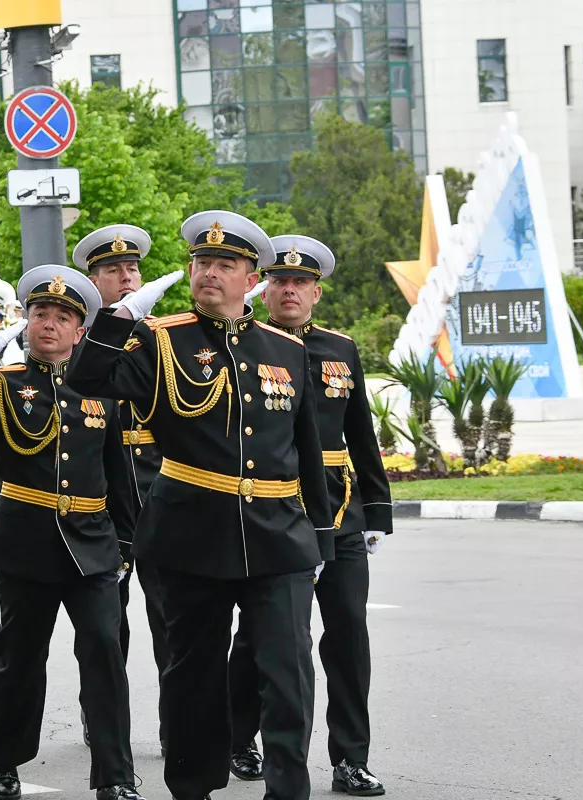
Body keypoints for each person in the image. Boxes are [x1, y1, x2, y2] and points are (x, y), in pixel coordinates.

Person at [66, 211, 335, 800]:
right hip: (190, 535)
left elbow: (307, 449)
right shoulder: (160, 338)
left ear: (251, 280)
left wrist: (322, 534)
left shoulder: (286, 350)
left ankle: (289, 790)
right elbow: (85, 382)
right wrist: (117, 319)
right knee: (193, 678)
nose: (210, 273)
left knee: (288, 673)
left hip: (279, 536)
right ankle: (193, 788)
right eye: (202, 263)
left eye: (226, 265)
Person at [0, 266, 143, 800]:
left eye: (63, 317)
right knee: (19, 661)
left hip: (92, 543)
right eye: (40, 314)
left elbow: (120, 474)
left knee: (104, 655)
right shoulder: (4, 383)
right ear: (25, 323)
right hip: (26, 542)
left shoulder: (101, 388)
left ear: (79, 330)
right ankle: (5, 760)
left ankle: (114, 775)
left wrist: (128, 544)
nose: (49, 324)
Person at [226, 235, 392, 797]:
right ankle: (239, 736)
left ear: (316, 293)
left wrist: (376, 511)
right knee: (261, 637)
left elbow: (360, 432)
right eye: (279, 281)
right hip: (278, 508)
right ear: (263, 289)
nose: (289, 290)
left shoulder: (340, 349)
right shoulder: (248, 348)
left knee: (347, 635)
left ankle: (350, 758)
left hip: (341, 507)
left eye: (300, 283)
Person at [72, 224, 170, 751]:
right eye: (113, 271)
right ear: (93, 281)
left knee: (172, 617)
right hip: (102, 498)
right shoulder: (79, 336)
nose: (126, 277)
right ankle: (102, 715)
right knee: (106, 626)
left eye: (131, 269)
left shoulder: (163, 335)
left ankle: (177, 717)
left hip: (161, 488)